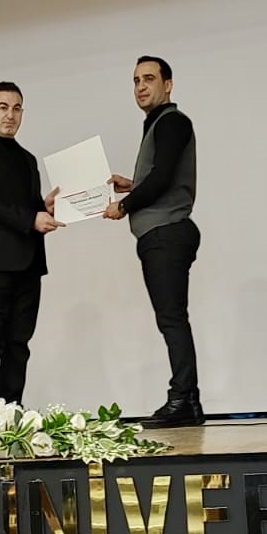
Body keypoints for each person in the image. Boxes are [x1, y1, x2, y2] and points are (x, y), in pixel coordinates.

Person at [104, 56, 204, 428]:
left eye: (149, 78)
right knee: (171, 318)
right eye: (136, 81)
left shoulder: (172, 121)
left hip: (165, 233)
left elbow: (162, 179)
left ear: (168, 84)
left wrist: (125, 205)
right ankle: (187, 400)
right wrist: (134, 185)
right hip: (162, 233)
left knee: (172, 319)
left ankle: (183, 400)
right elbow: (163, 176)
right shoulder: (159, 124)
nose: (141, 86)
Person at [0, 82, 63, 404]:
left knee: (19, 342)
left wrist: (44, 208)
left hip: (29, 261)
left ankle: (12, 411)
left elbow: (26, 207)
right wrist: (31, 218)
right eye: (3, 107)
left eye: (16, 108)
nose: (10, 115)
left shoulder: (27, 159)